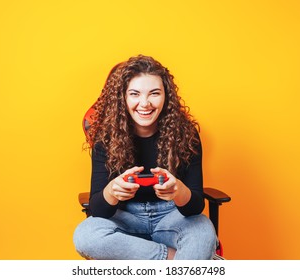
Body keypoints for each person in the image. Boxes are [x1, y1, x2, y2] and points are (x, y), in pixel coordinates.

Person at [73, 55, 217, 260]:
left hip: (172, 216)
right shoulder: (105, 138)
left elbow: (194, 207)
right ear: (122, 97)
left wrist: (178, 190)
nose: (145, 103)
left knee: (203, 231)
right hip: (124, 217)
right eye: (134, 94)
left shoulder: (186, 134)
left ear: (166, 96)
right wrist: (112, 191)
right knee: (86, 236)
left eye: (154, 93)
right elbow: (98, 209)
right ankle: (173, 259)